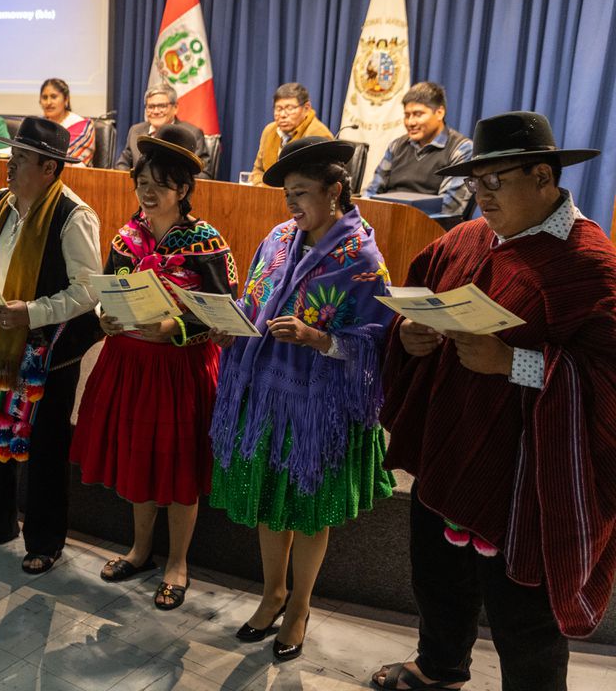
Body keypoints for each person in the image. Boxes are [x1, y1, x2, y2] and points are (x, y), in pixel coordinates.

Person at [371, 111, 616, 691]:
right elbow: (416, 302)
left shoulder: (591, 264)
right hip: (451, 447)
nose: (481, 195)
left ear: (543, 178)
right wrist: (409, 336)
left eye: (495, 181)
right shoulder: (468, 237)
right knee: (438, 577)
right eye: (475, 183)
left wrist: (514, 362)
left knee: (523, 613)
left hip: (530, 478)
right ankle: (439, 667)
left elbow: (608, 379)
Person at [209, 136, 395, 661]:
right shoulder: (278, 238)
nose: (292, 206)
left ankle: (300, 608)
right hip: (265, 392)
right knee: (271, 501)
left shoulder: (361, 257)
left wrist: (318, 339)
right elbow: (252, 299)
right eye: (288, 195)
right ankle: (273, 593)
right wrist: (231, 329)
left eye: (302, 193)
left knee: (308, 510)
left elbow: (377, 341)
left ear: (336, 191)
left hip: (318, 407)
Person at [70, 124, 238, 610]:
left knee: (179, 465)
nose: (147, 191)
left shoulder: (206, 242)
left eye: (159, 184)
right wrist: (105, 317)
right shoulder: (128, 235)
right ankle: (140, 549)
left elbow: (222, 310)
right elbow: (109, 287)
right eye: (141, 182)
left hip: (179, 370)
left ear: (183, 190)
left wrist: (174, 328)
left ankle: (177, 562)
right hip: (129, 364)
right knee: (140, 457)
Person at [0, 116, 103, 574]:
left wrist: (31, 312)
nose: (9, 168)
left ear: (50, 168)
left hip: (49, 350)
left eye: (20, 160)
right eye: (11, 158)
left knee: (46, 446)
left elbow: (88, 291)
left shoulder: (74, 216)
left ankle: (46, 540)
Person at [364, 82, 473, 215]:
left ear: (439, 113)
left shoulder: (461, 149)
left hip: (429, 228)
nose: (410, 122)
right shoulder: (396, 146)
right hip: (386, 221)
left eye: (418, 114)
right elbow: (371, 193)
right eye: (407, 115)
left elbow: (449, 209)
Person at [113, 84, 213, 178]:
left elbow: (204, 174)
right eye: (151, 107)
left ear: (175, 108)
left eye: (162, 106)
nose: (156, 111)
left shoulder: (192, 133)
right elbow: (122, 164)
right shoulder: (136, 131)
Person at [247, 83, 333, 186]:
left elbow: (314, 181)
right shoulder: (269, 130)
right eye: (278, 109)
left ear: (306, 108)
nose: (283, 115)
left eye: (290, 108)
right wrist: (262, 187)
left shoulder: (318, 135)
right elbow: (258, 170)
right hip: (268, 196)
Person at [39, 78, 95, 165]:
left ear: (66, 99)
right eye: (44, 97)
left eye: (53, 97)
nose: (48, 102)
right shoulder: (37, 125)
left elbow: (75, 161)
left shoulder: (84, 126)